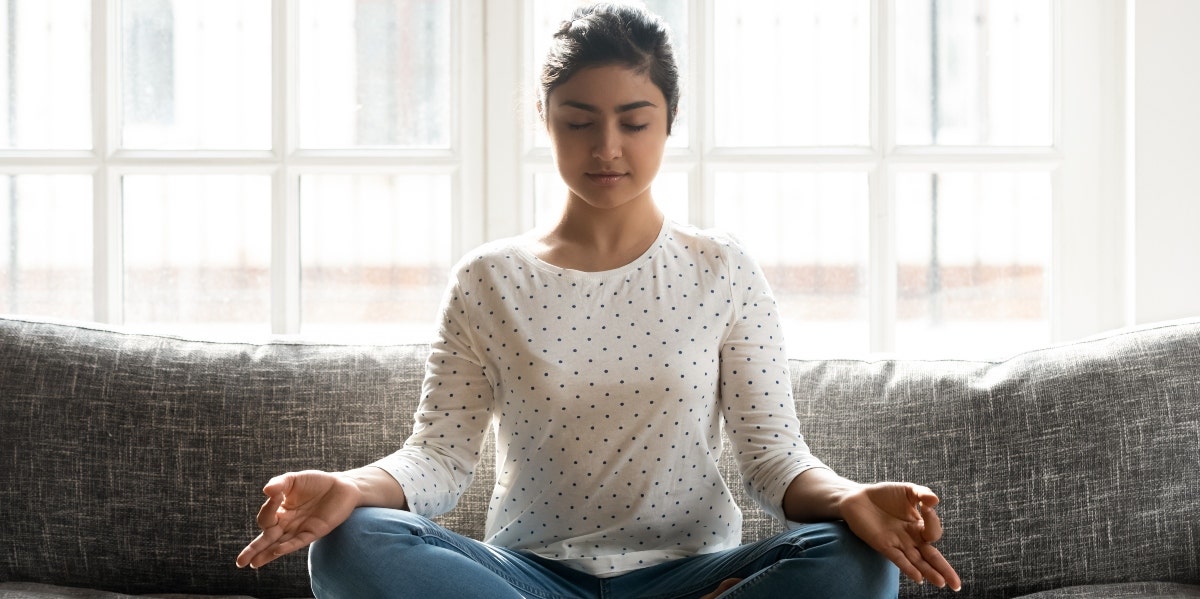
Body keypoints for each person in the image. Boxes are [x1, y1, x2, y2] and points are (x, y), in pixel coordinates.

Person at [236, 3, 962, 597]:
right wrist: (350, 486)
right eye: (578, 120)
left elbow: (774, 458)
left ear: (668, 122)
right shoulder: (489, 279)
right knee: (352, 544)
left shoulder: (722, 269)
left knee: (856, 558)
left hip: (694, 575)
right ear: (546, 120)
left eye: (634, 121)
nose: (606, 146)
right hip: (528, 577)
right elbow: (439, 458)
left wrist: (849, 498)